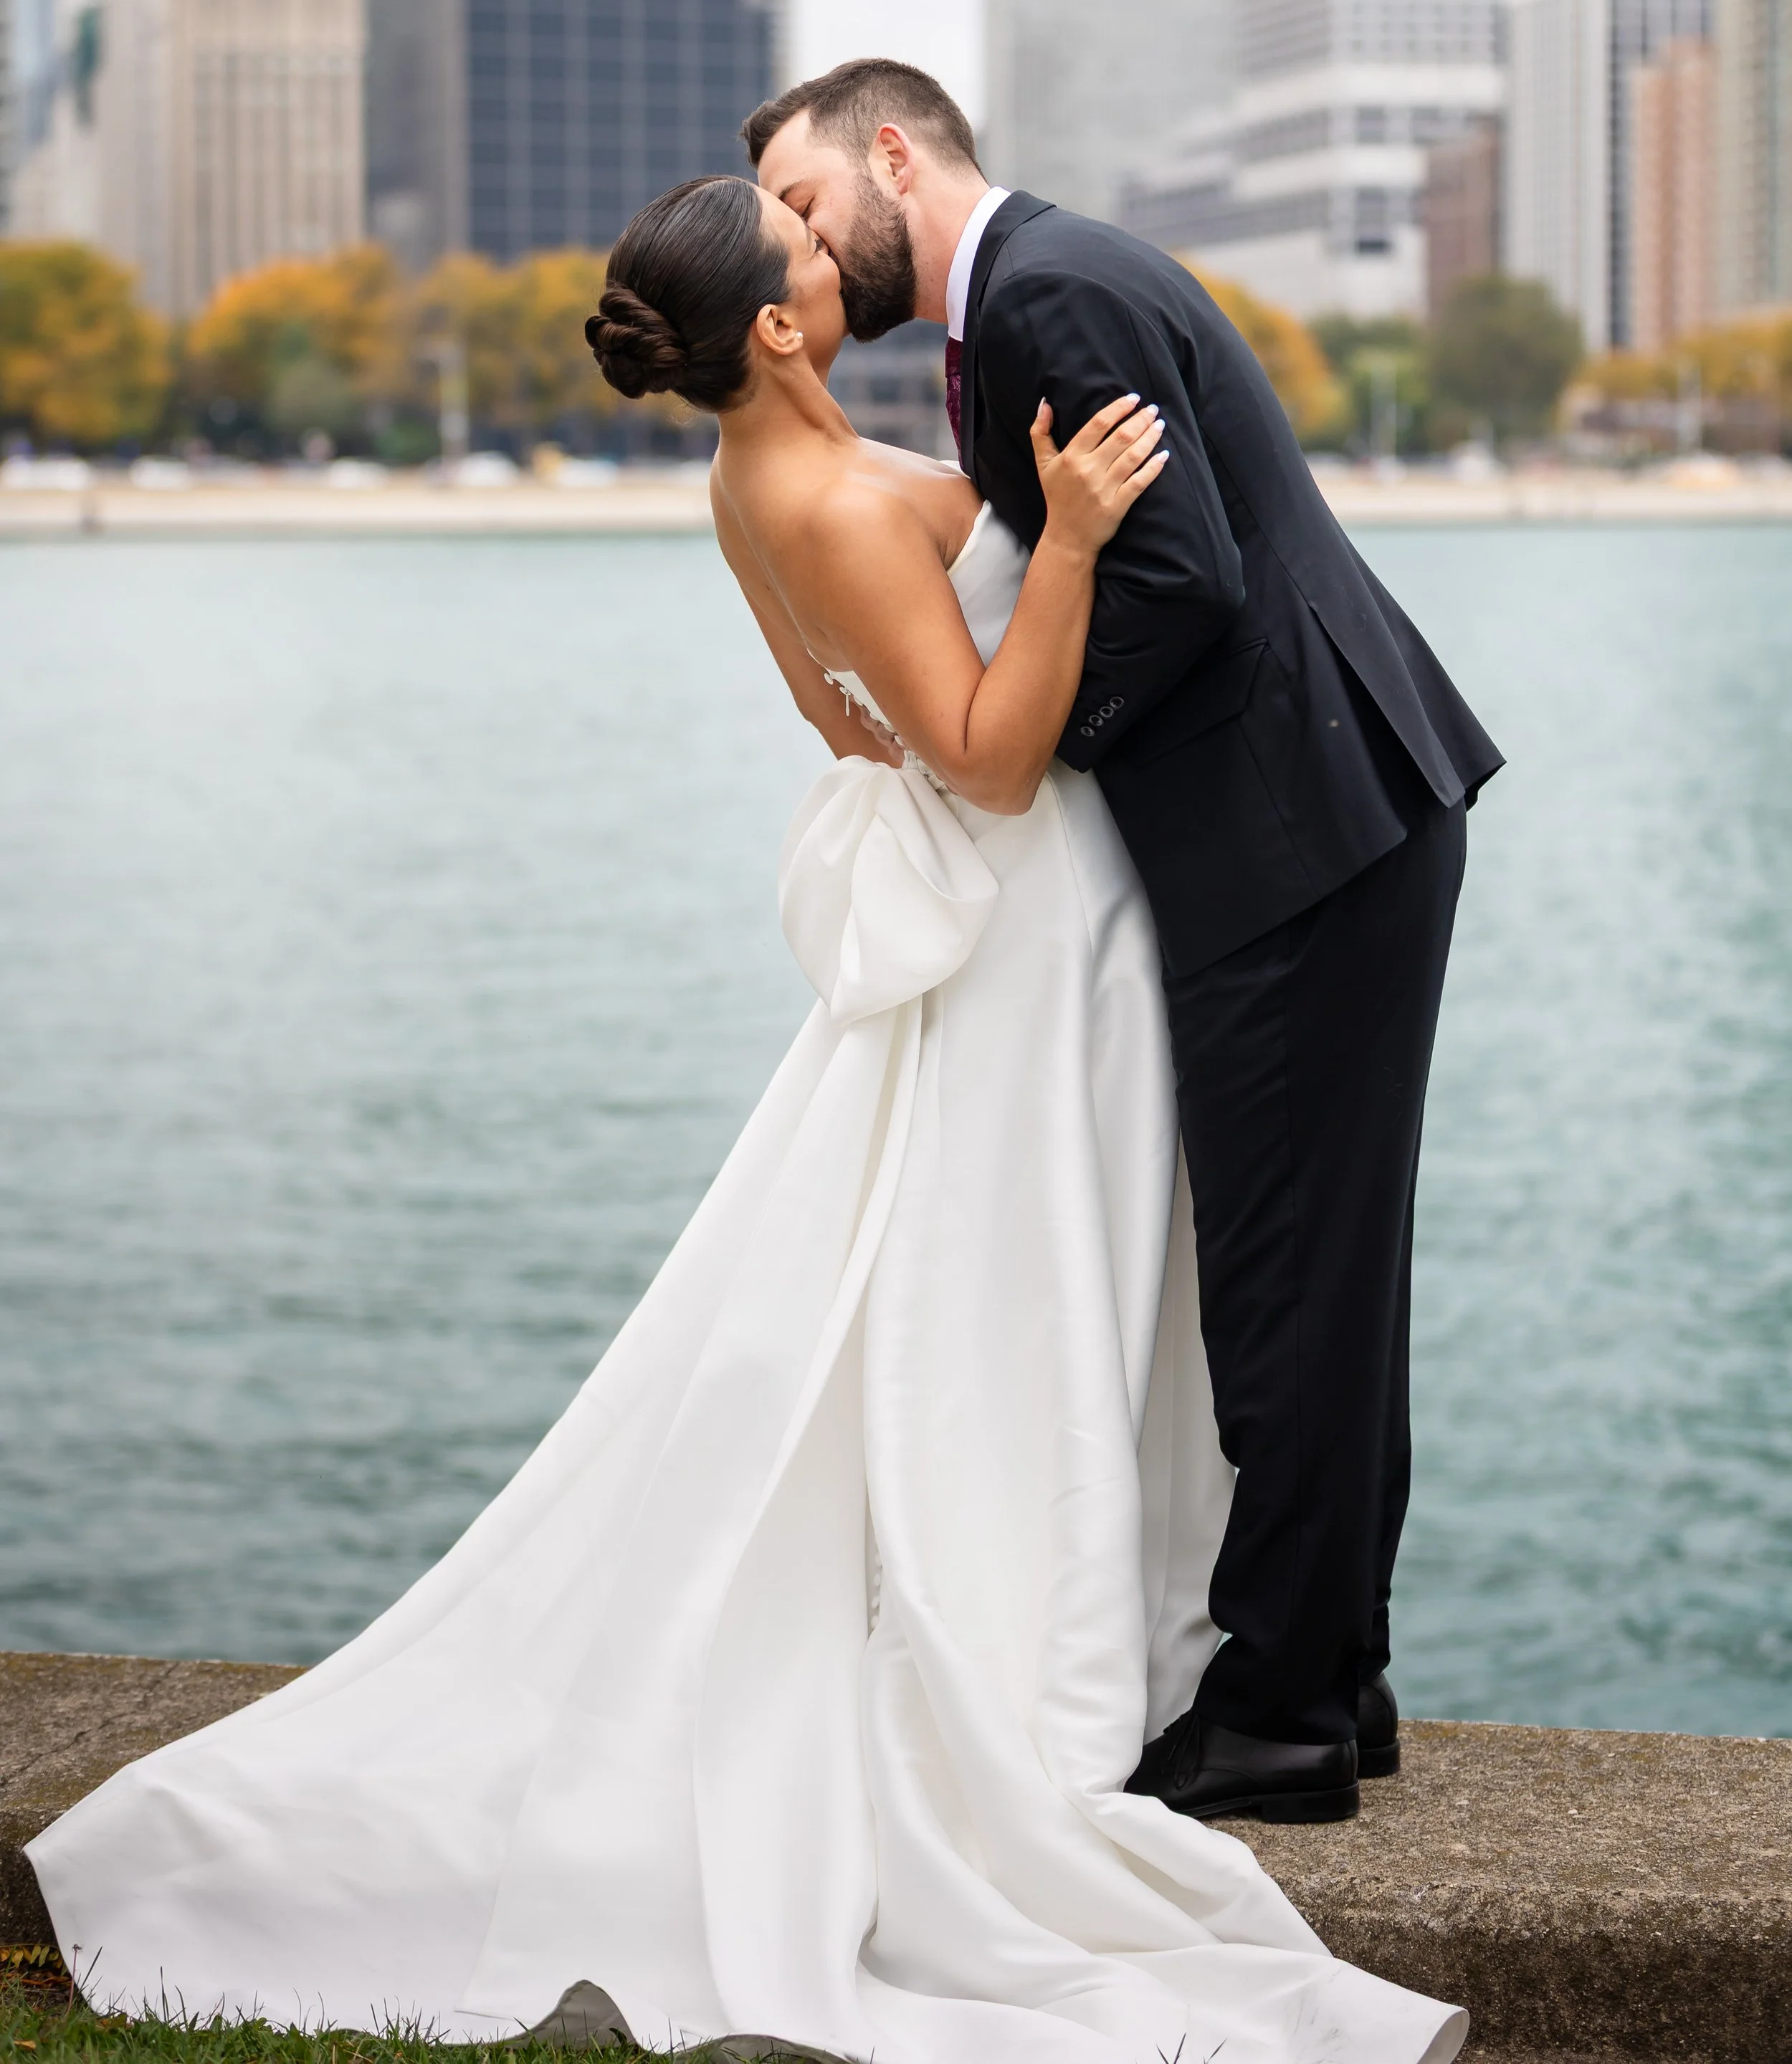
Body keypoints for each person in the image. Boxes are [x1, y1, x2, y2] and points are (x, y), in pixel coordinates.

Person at [27, 171, 1468, 2064]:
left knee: (1008, 1273)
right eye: (795, 243)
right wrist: (1068, 548)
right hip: (1043, 915)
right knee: (1039, 1277)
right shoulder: (811, 489)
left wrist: (970, 628)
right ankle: (1064, 1645)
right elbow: (986, 754)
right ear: (777, 327)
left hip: (1028, 902)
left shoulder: (761, 472)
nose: (825, 239)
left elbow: (835, 716)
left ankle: (1177, 1625)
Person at [748, 59, 1502, 1823]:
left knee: (1281, 1281)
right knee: (1311, 1274)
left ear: (886, 151)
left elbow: (1178, 581)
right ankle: (1333, 1679)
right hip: (1314, 819)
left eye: (797, 199)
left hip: (1297, 828)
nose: (794, 243)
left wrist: (1035, 762)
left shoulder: (1048, 293)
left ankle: (1286, 1713)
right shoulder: (1024, 299)